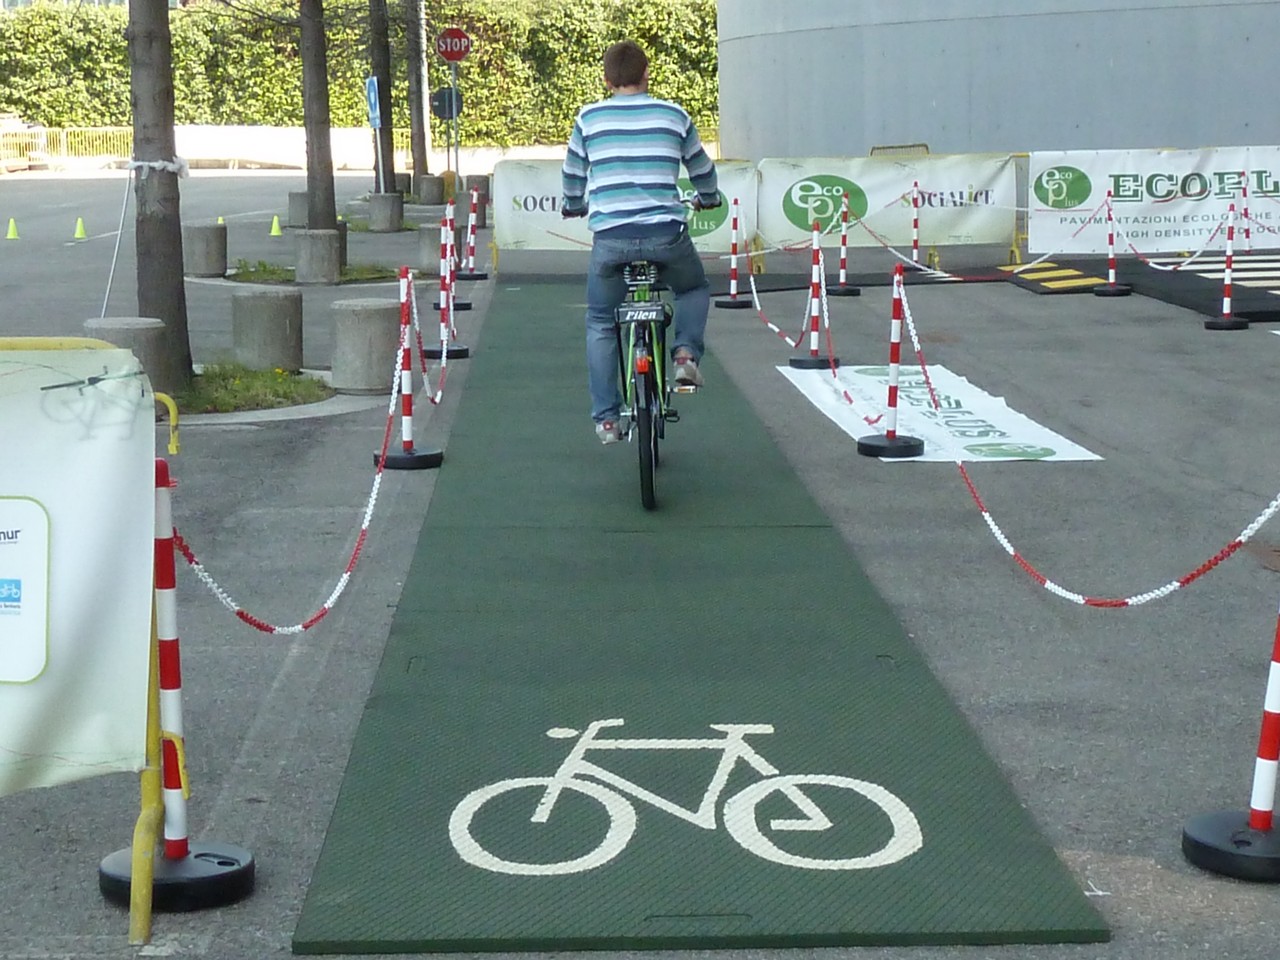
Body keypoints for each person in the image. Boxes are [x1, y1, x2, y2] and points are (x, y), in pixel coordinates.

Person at [562, 40, 720, 445]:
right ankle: (684, 355)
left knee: (600, 319)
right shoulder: (674, 115)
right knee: (692, 288)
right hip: (666, 235)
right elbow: (702, 169)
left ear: (606, 78)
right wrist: (708, 196)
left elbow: (573, 174)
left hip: (611, 240)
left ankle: (608, 419)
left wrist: (574, 205)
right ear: (647, 73)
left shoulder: (588, 118)